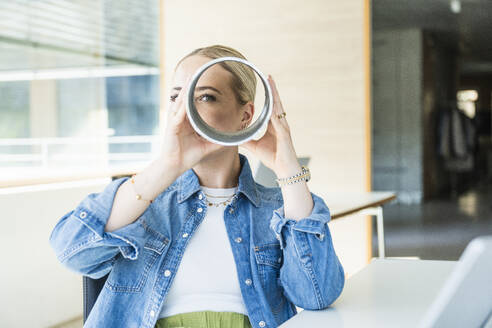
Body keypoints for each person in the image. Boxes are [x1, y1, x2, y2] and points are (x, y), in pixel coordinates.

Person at [49, 44, 345, 328]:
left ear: (245, 116)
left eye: (205, 97)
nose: (185, 109)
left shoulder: (275, 209)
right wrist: (166, 166)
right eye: (176, 96)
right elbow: (71, 252)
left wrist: (287, 169)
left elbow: (316, 295)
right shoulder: (144, 202)